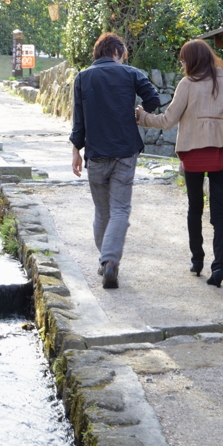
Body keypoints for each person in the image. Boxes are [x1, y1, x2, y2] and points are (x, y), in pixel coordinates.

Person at [136, 39, 223, 288]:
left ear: (192, 60)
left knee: (195, 208)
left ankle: (197, 260)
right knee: (218, 213)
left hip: (193, 155)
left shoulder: (187, 85)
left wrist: (143, 118)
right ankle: (218, 267)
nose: (182, 64)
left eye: (184, 59)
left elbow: (168, 120)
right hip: (221, 154)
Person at [70, 32, 161, 289]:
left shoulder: (82, 77)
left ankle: (105, 263)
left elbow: (79, 120)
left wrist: (76, 150)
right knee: (120, 210)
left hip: (96, 154)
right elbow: (153, 99)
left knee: (102, 211)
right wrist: (138, 113)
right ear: (117, 51)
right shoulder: (131, 73)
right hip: (125, 152)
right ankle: (110, 262)